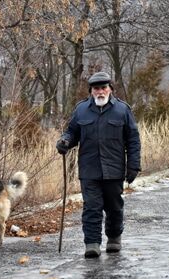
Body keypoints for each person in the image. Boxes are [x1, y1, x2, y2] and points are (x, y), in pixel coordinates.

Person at [56, 71, 141, 258]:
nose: (100, 92)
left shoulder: (122, 110)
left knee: (114, 207)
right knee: (91, 208)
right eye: (96, 89)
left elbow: (133, 139)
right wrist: (64, 142)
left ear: (110, 89)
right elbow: (72, 133)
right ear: (91, 91)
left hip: (114, 169)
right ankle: (92, 243)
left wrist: (133, 166)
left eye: (104, 88)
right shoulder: (81, 110)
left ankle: (114, 238)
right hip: (89, 170)